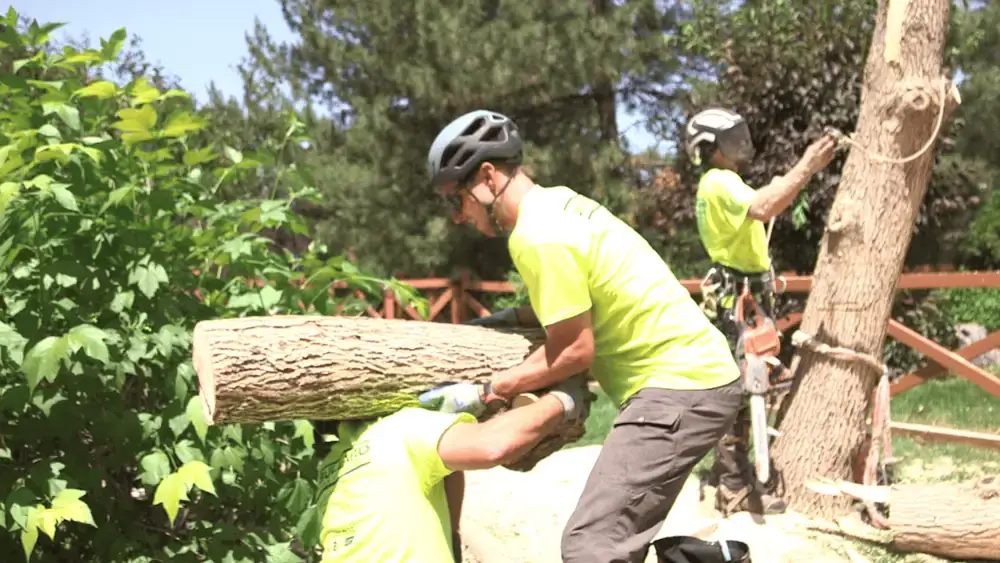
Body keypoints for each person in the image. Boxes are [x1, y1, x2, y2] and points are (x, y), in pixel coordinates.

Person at [420, 109, 745, 563]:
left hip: (680, 387)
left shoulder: (537, 236)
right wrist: (498, 321)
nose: (457, 217)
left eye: (457, 200)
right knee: (605, 543)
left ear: (488, 177)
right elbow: (570, 300)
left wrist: (488, 390)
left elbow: (574, 350)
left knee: (592, 548)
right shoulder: (556, 204)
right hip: (693, 378)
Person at [684, 107, 836, 516]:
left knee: (751, 388)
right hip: (740, 297)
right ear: (711, 148)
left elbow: (762, 202)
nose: (743, 141)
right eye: (732, 136)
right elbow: (765, 206)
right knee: (740, 392)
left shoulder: (722, 184)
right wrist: (808, 164)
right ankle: (734, 485)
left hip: (743, 293)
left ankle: (739, 476)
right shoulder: (719, 182)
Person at [314, 376, 589, 562]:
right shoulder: (403, 428)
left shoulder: (332, 466)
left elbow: (448, 485)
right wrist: (562, 399)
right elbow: (494, 445)